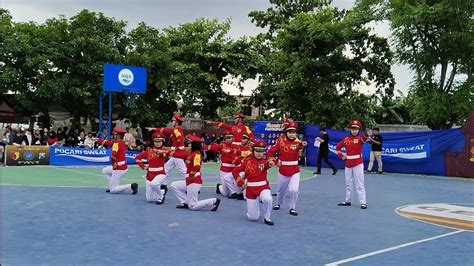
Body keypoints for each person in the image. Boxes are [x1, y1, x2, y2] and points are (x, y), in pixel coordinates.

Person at [170, 134, 221, 211]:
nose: (188, 145)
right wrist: (167, 152)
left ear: (194, 144)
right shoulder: (192, 154)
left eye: (189, 143)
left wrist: (190, 176)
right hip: (190, 180)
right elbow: (179, 155)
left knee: (193, 206)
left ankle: (213, 201)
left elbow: (197, 167)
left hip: (194, 181)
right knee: (174, 185)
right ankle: (185, 202)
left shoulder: (196, 154)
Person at [268, 121, 307, 216]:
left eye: (294, 132)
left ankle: (292, 208)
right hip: (283, 169)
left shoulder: (298, 143)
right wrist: (275, 162)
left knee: (294, 189)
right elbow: (270, 151)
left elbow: (301, 149)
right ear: (286, 133)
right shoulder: (281, 142)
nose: (292, 134)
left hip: (294, 169)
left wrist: (303, 146)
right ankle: (278, 203)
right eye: (290, 132)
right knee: (281, 189)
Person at [232, 140, 275, 226]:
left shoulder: (265, 161)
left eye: (261, 151)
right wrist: (241, 183)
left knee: (268, 199)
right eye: (257, 151)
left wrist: (272, 162)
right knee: (253, 218)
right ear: (253, 151)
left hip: (263, 187)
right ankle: (255, 205)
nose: (259, 153)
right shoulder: (247, 161)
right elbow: (235, 171)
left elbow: (271, 162)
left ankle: (267, 217)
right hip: (250, 189)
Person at [335, 119, 370, 209]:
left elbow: (364, 138)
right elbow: (337, 148)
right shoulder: (345, 139)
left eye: (356, 129)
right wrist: (341, 155)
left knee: (359, 183)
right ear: (350, 129)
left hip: (358, 163)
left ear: (359, 130)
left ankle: (363, 202)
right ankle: (348, 201)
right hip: (348, 164)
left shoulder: (360, 139)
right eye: (353, 128)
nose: (354, 130)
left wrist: (367, 134)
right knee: (348, 183)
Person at [97, 127, 138, 194]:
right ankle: (111, 185)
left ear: (118, 136)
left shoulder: (116, 144)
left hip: (118, 168)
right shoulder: (121, 143)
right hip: (122, 166)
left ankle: (131, 186)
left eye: (115, 135)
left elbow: (113, 155)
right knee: (105, 171)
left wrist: (113, 163)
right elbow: (110, 143)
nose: (113, 136)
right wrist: (98, 140)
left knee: (113, 190)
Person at [203, 130, 242, 199]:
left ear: (233, 138)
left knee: (235, 187)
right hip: (224, 170)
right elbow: (210, 147)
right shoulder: (221, 146)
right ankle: (219, 187)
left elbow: (242, 154)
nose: (228, 139)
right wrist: (198, 147)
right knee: (226, 193)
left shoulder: (237, 147)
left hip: (234, 170)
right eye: (227, 137)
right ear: (224, 138)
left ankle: (234, 192)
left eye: (230, 137)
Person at [147, 113, 188, 179]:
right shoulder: (176, 129)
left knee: (183, 171)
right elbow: (166, 130)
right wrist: (154, 129)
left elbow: (179, 138)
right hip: (175, 154)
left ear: (177, 122)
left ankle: (191, 182)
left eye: (173, 121)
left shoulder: (177, 130)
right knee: (166, 169)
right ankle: (163, 184)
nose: (171, 122)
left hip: (177, 154)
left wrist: (175, 148)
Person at [135, 132, 170, 204]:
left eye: (159, 141)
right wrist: (143, 166)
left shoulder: (164, 151)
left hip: (160, 174)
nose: (157, 143)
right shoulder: (148, 151)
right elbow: (137, 158)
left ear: (162, 142)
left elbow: (166, 154)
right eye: (156, 141)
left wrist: (161, 152)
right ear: (153, 142)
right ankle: (161, 192)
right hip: (150, 174)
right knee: (149, 199)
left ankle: (162, 194)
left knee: (154, 184)